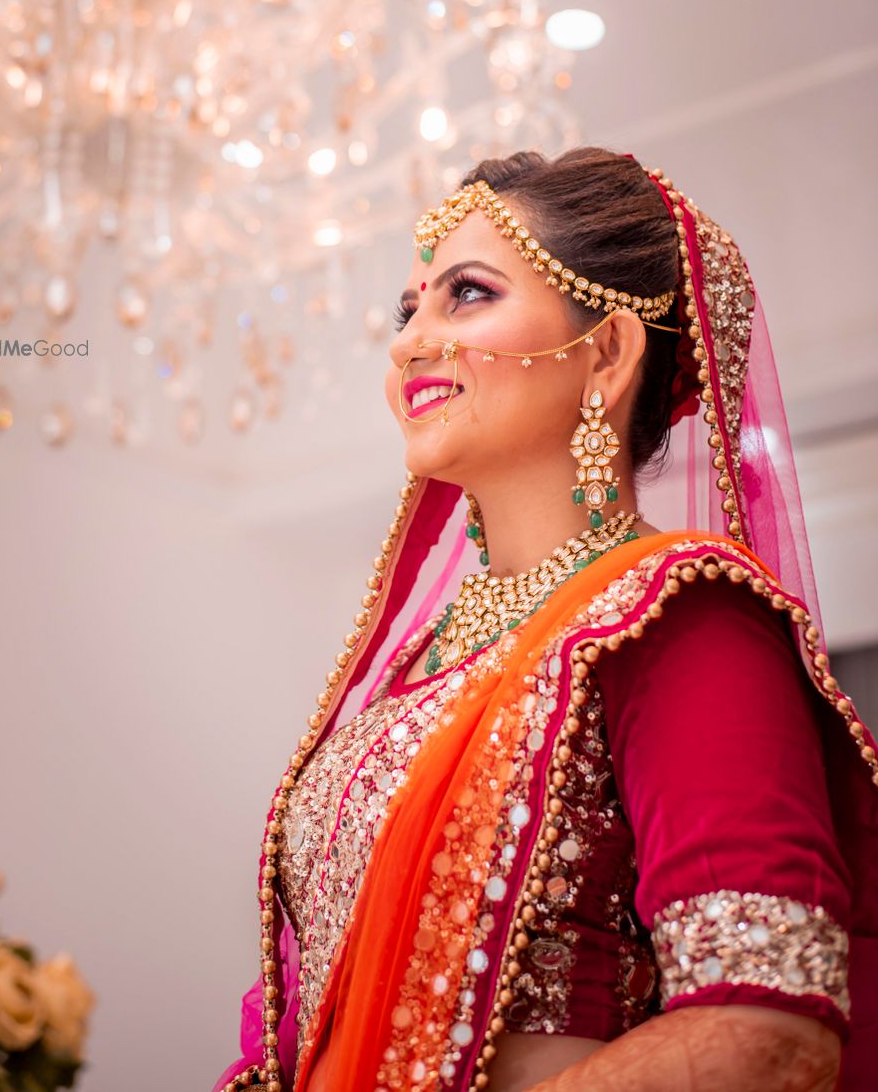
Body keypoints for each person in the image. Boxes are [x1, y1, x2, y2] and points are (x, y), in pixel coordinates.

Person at [213, 148, 878, 1092]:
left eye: (467, 295)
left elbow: (765, 1028)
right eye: (409, 312)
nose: (409, 343)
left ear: (606, 350)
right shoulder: (416, 669)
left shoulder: (678, 616)